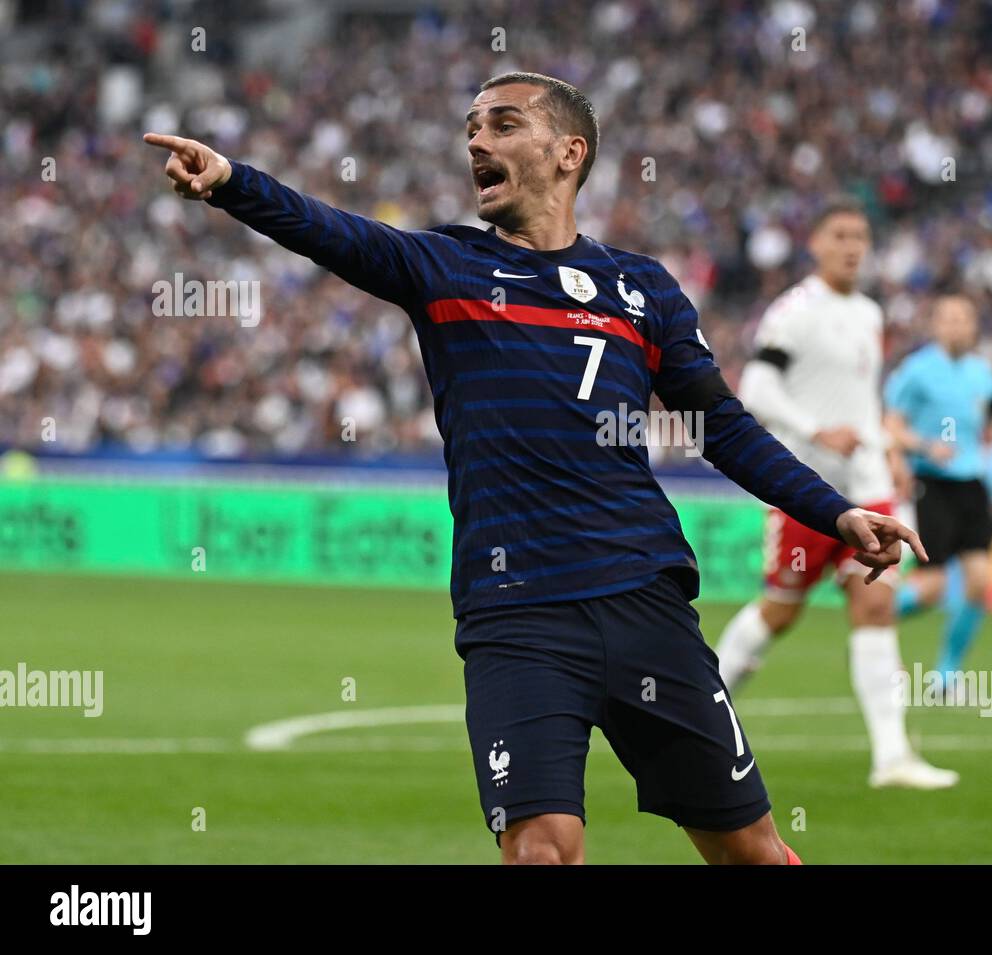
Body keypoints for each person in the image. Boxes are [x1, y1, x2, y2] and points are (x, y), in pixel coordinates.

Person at [144, 72, 926, 865]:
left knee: (751, 852)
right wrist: (232, 182)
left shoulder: (643, 289)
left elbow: (721, 426)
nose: (478, 141)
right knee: (540, 851)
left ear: (568, 152)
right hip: (517, 615)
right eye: (472, 128)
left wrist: (832, 510)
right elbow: (334, 231)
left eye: (504, 124)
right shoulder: (444, 266)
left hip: (643, 598)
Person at [713, 197, 957, 789]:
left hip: (870, 488)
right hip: (806, 487)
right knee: (782, 610)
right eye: (840, 235)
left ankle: (891, 757)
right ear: (816, 243)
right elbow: (758, 387)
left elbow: (861, 401)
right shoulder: (793, 311)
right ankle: (699, 709)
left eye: (860, 236)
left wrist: (888, 449)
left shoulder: (872, 314)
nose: (852, 246)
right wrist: (816, 430)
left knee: (875, 608)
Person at [884, 294, 992, 689]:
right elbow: (892, 426)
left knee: (980, 581)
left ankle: (947, 672)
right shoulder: (916, 371)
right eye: (948, 319)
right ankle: (874, 621)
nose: (956, 326)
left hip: (973, 485)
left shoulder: (983, 372)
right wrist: (923, 447)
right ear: (935, 325)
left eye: (963, 318)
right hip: (932, 484)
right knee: (931, 588)